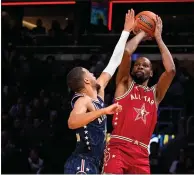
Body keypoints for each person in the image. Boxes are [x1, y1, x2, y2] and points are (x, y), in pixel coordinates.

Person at [64, 9, 135, 174]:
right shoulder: (82, 100)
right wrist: (105, 110)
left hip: (94, 164)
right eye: (89, 72)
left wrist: (126, 32)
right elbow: (72, 122)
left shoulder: (97, 93)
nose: (94, 73)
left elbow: (113, 63)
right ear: (87, 81)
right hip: (81, 163)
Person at [103, 15, 176, 174]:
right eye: (137, 65)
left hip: (142, 154)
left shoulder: (155, 94)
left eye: (145, 66)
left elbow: (171, 70)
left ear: (151, 73)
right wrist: (142, 33)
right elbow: (126, 52)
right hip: (118, 148)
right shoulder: (124, 83)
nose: (140, 67)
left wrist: (158, 38)